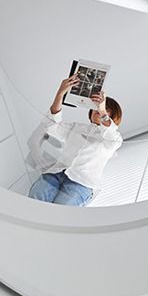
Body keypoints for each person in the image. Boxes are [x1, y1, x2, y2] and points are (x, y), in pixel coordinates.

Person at [26, 74, 123, 206]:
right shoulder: (77, 127)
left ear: (113, 116)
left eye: (107, 109)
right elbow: (51, 126)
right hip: (56, 173)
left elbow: (113, 139)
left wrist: (102, 111)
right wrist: (60, 93)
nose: (98, 109)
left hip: (82, 183)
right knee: (33, 203)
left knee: (61, 213)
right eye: (96, 107)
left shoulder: (113, 138)